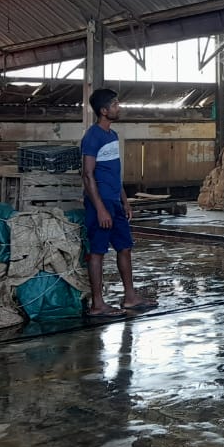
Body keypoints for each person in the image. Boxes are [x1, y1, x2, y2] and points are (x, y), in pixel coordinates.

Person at [80, 89, 155, 318]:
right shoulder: (92, 137)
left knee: (125, 247)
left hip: (115, 202)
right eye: (114, 105)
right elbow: (87, 174)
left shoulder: (112, 136)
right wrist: (101, 208)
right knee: (98, 252)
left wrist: (125, 201)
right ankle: (98, 304)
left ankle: (130, 297)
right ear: (104, 111)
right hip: (99, 203)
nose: (118, 108)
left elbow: (114, 172)